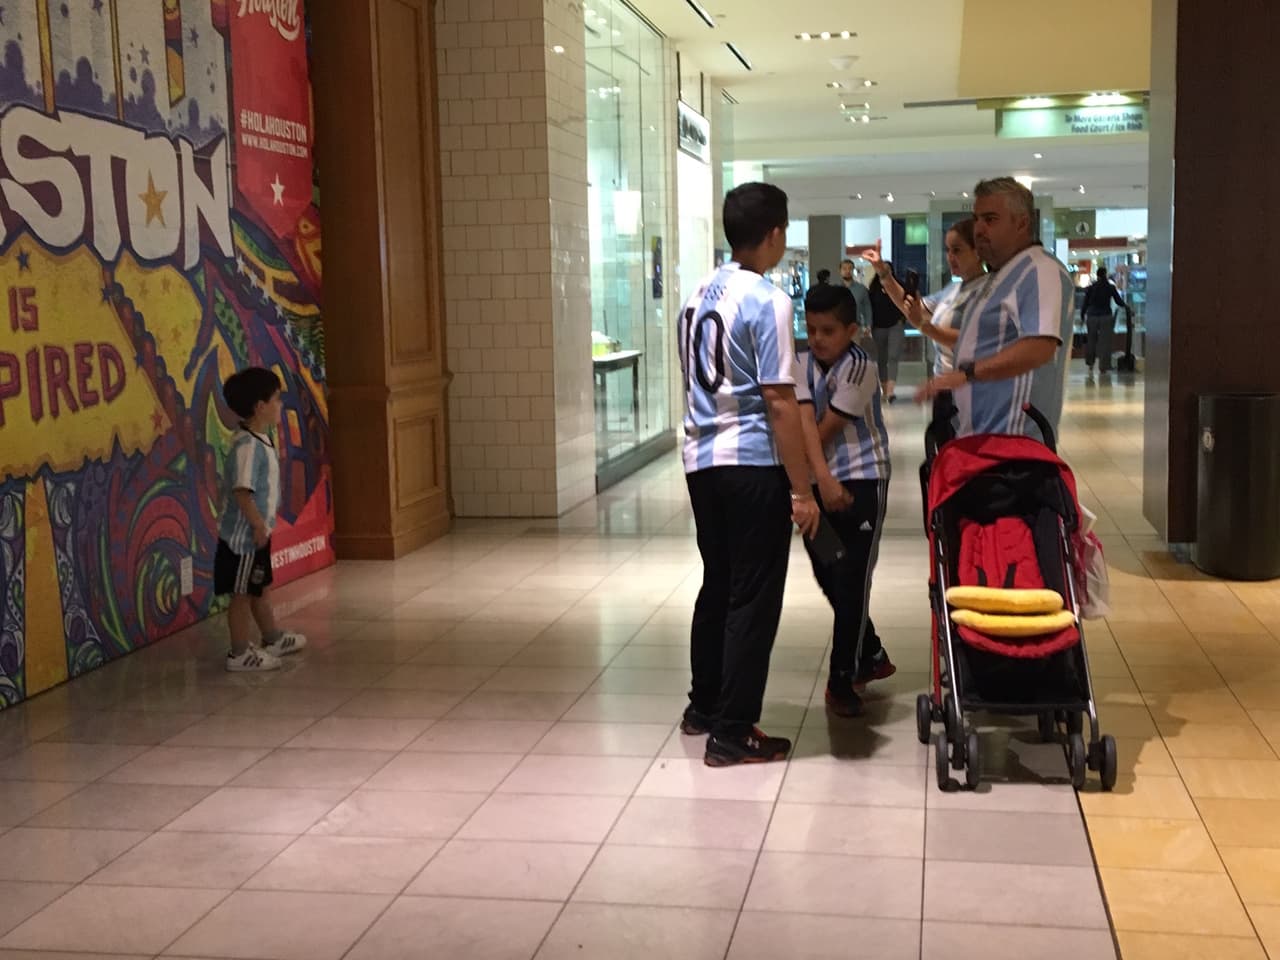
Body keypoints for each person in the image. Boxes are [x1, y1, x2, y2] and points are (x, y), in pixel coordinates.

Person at [677, 181, 821, 768]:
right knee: (753, 598)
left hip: (700, 463)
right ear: (776, 234)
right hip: (751, 464)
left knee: (717, 583)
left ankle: (704, 706)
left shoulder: (697, 294)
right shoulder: (769, 299)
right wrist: (802, 489)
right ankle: (734, 730)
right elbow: (780, 402)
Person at [794, 284, 896, 717]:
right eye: (811, 329)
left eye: (828, 330)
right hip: (816, 484)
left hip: (861, 480)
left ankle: (842, 678)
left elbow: (820, 431)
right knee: (828, 573)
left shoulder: (861, 367)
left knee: (852, 578)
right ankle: (870, 650)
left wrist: (799, 456)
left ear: (852, 330)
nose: (817, 339)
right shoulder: (799, 364)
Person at [915, 177, 1073, 439]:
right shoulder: (1000, 276)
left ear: (1021, 223)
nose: (978, 229)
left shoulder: (1039, 269)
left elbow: (1039, 347)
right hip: (980, 438)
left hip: (1013, 443)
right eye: (976, 219)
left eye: (990, 219)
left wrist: (967, 374)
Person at [216, 368, 308, 671]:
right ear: (260, 406)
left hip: (256, 537)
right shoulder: (247, 446)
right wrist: (257, 524)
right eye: (276, 399)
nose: (280, 405)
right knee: (242, 594)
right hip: (242, 540)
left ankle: (272, 637)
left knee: (260, 587)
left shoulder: (260, 439)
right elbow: (242, 491)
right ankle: (240, 653)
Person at [868, 219, 986, 437]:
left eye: (957, 250)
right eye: (948, 250)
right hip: (944, 388)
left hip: (972, 391)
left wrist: (923, 326)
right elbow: (914, 308)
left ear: (977, 252)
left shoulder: (988, 291)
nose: (950, 257)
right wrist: (884, 273)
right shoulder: (954, 289)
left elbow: (970, 339)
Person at [868, 262, 906, 403]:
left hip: (895, 325)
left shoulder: (899, 285)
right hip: (878, 327)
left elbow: (907, 302)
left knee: (893, 356)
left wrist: (903, 319)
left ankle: (890, 392)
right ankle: (884, 389)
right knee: (882, 359)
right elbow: (869, 307)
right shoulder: (873, 288)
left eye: (888, 269)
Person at [1081, 266, 1127, 378]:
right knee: (1105, 342)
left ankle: (1090, 364)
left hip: (1092, 316)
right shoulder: (1110, 287)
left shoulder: (1091, 288)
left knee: (1091, 341)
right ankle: (1103, 367)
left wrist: (1082, 314)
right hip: (1106, 316)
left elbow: (1085, 303)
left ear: (1097, 275)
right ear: (1105, 274)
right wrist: (1126, 307)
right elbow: (1118, 301)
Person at [839, 258, 873, 331]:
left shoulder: (861, 289)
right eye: (844, 269)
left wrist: (868, 325)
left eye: (850, 268)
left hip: (856, 326)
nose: (847, 271)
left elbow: (867, 307)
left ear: (853, 270)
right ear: (840, 271)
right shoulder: (835, 290)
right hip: (838, 327)